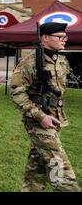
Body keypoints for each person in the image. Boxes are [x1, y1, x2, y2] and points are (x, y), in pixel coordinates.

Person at [11, 22, 80, 192]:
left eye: (65, 36)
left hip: (55, 118)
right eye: (60, 36)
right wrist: (40, 116)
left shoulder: (60, 60)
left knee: (38, 167)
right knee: (61, 170)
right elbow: (17, 94)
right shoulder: (29, 62)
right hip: (38, 121)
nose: (64, 39)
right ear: (45, 38)